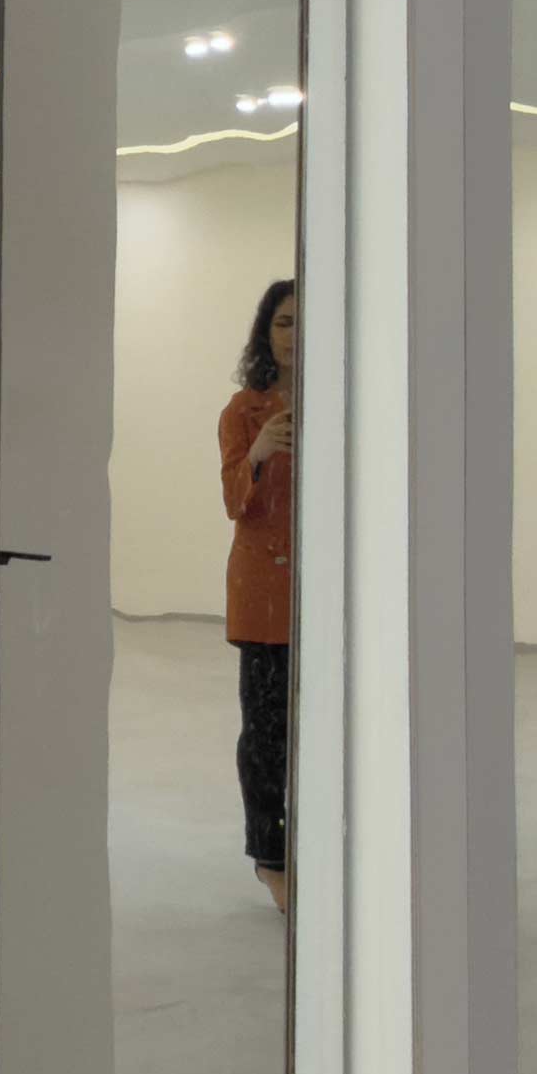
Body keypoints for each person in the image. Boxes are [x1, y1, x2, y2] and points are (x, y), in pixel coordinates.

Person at [217, 276, 302, 914]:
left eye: (305, 322)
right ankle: (271, 859)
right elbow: (234, 502)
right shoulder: (243, 411)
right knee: (268, 735)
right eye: (284, 323)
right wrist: (261, 450)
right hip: (266, 595)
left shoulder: (345, 400)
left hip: (328, 593)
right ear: (266, 334)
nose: (295, 336)